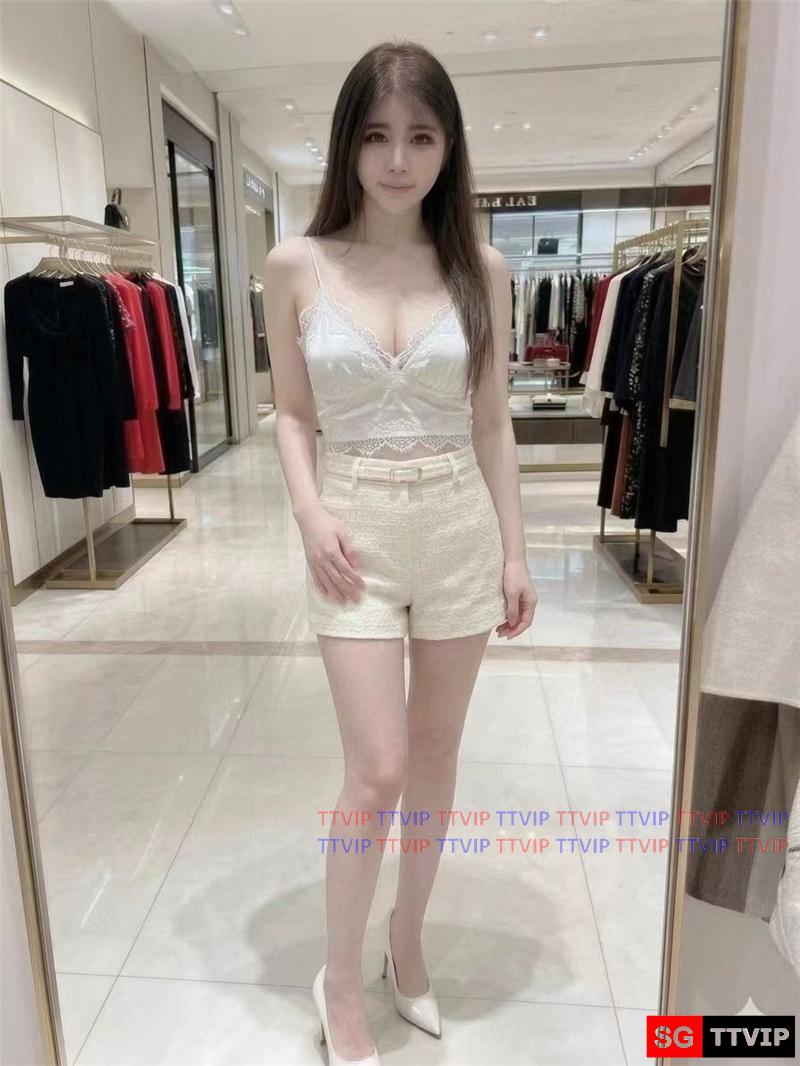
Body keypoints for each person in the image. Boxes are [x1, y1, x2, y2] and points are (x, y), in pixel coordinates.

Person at [263, 39, 537, 1066]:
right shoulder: (297, 265)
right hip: (353, 536)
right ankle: (339, 977)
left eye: (420, 137)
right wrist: (308, 513)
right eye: (376, 136)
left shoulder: (482, 271)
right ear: (347, 144)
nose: (396, 160)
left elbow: (493, 423)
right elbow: (294, 414)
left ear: (448, 146)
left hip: (458, 528)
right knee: (374, 770)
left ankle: (405, 941)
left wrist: (515, 552)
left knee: (434, 756)